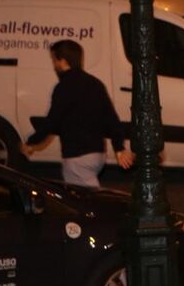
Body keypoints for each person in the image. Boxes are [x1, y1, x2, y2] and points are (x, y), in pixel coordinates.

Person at [21, 39, 133, 187]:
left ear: (62, 61)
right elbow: (111, 118)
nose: (54, 65)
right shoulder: (95, 84)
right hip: (97, 155)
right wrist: (119, 148)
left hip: (77, 157)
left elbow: (52, 122)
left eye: (54, 60)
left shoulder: (63, 88)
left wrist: (31, 143)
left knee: (85, 202)